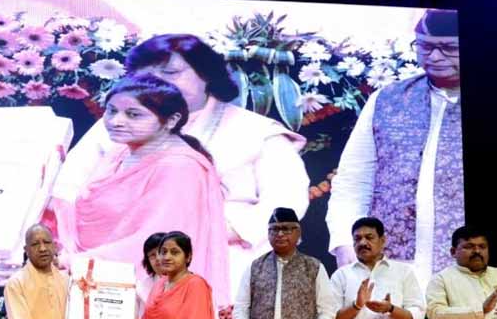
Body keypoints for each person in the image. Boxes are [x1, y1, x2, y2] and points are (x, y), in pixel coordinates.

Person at [51, 34, 309, 302]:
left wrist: (209, 231)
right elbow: (67, 188)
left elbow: (286, 202)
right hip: (113, 251)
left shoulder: (257, 131)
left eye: (171, 72)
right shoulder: (118, 122)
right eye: (145, 75)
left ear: (206, 75)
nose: (158, 82)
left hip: (224, 251)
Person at [52, 74, 230, 305]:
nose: (116, 121)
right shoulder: (121, 152)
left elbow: (156, 245)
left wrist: (74, 262)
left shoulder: (181, 168)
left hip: (140, 292)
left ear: (171, 120)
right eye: (111, 111)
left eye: (133, 114)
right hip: (92, 271)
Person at [327, 9, 463, 290]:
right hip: (392, 268)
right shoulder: (387, 100)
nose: (435, 57)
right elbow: (353, 181)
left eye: (448, 48)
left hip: (469, 267)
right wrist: (344, 243)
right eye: (425, 47)